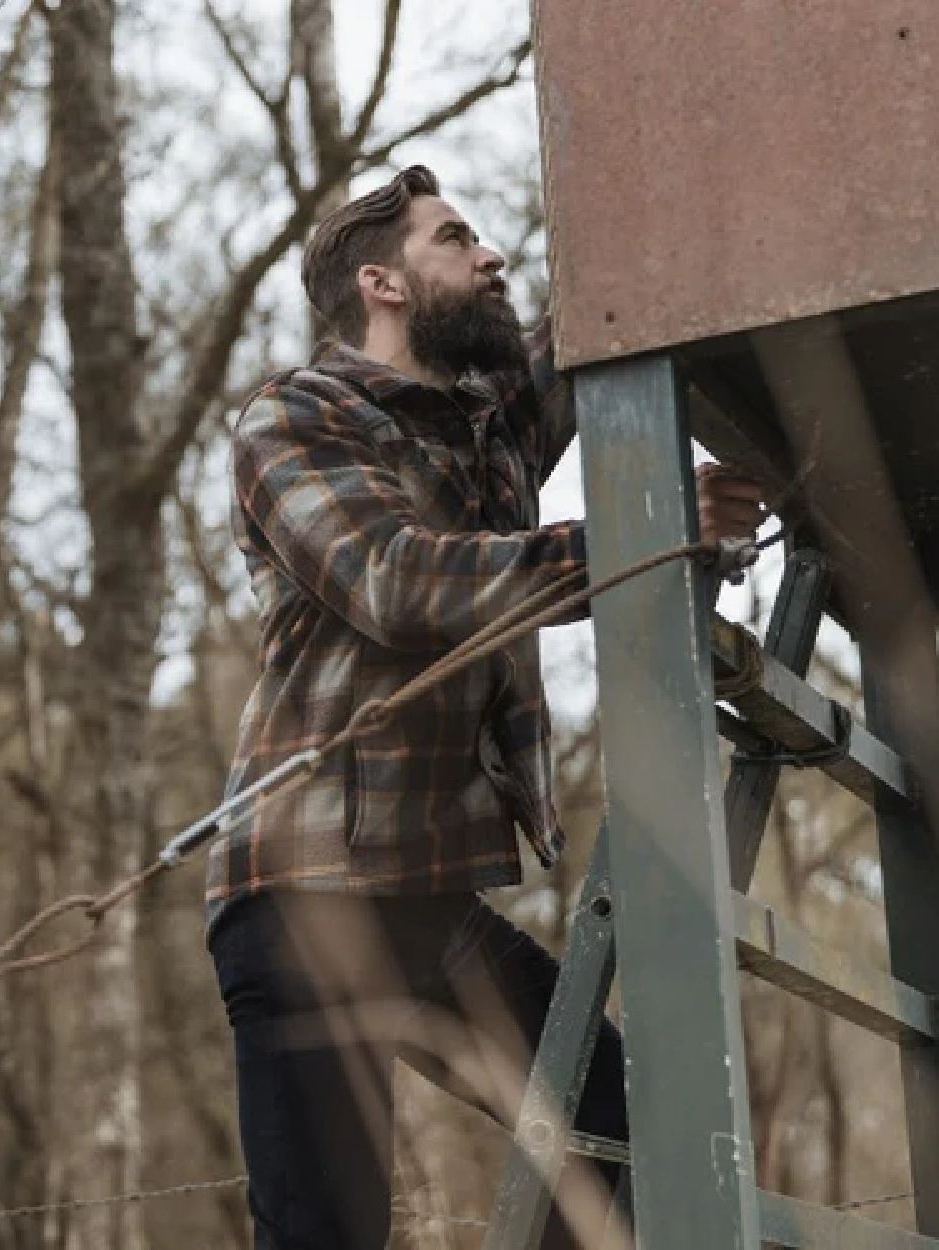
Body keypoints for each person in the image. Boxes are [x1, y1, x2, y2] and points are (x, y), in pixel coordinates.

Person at [207, 165, 763, 1249]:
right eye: (454, 238)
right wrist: (647, 527)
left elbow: (594, 310)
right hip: (306, 896)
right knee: (327, 1232)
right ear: (383, 283)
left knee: (625, 1123)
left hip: (425, 900)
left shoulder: (488, 427)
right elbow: (398, 582)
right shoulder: (293, 419)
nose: (491, 253)